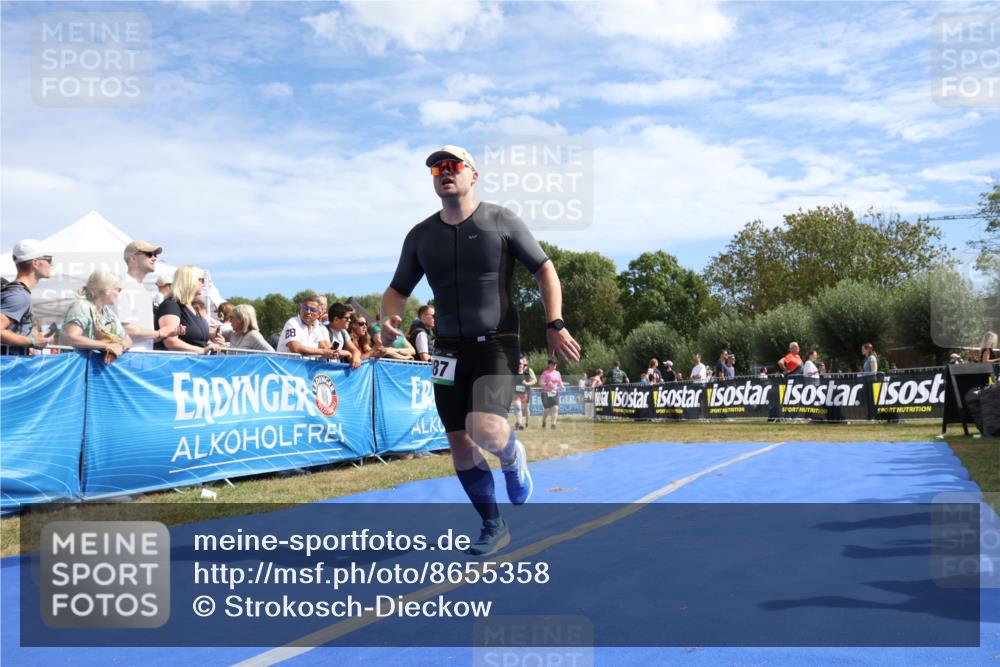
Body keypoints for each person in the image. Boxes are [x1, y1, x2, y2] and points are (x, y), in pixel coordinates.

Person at [382, 144, 580, 556]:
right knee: (458, 441)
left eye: (452, 165)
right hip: (446, 353)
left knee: (484, 427)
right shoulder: (421, 236)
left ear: (473, 175)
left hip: (497, 342)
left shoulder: (500, 219)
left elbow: (545, 268)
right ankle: (493, 523)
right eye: (436, 168)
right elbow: (398, 290)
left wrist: (554, 323)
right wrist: (389, 318)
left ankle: (512, 456)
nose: (443, 172)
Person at [119, 240, 180, 352]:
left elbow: (144, 338)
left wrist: (167, 333)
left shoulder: (144, 292)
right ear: (133, 258)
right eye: (149, 254)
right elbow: (122, 329)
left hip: (141, 359)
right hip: (125, 361)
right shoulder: (123, 286)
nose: (154, 258)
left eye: (155, 255)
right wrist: (160, 332)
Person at [62, 268, 133, 364]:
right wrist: (106, 346)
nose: (119, 293)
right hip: (74, 369)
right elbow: (71, 337)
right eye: (118, 289)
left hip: (92, 370)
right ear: (106, 290)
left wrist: (116, 349)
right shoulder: (82, 306)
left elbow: (128, 341)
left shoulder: (108, 313)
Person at [1, 239, 55, 355]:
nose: (52, 264)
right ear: (35, 263)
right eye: (49, 259)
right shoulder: (19, 295)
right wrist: (32, 341)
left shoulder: (17, 292)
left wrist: (27, 342)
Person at [155, 264, 224, 355]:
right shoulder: (171, 305)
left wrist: (214, 345)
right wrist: (202, 351)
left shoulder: (191, 308)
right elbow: (170, 342)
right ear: (190, 281)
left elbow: (197, 341)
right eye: (201, 280)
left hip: (195, 364)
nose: (203, 284)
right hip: (179, 365)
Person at [276, 295, 335, 360]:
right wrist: (323, 352)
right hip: (286, 367)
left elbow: (323, 347)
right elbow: (295, 348)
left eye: (313, 310)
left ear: (319, 314)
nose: (308, 312)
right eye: (305, 308)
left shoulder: (317, 326)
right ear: (300, 309)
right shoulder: (292, 322)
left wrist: (334, 352)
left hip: (305, 367)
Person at [326, 302, 363, 368]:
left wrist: (356, 357)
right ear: (336, 319)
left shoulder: (343, 332)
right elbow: (331, 352)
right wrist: (348, 353)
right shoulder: (324, 329)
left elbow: (355, 350)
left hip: (335, 370)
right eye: (347, 318)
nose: (349, 320)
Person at [539, 357, 566, 429]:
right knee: (547, 409)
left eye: (555, 364)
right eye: (553, 364)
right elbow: (540, 383)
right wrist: (547, 384)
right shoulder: (545, 373)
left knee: (555, 408)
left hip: (554, 392)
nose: (555, 365)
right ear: (549, 365)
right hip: (546, 393)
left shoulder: (558, 373)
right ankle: (544, 421)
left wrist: (562, 386)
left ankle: (553, 424)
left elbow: (560, 381)